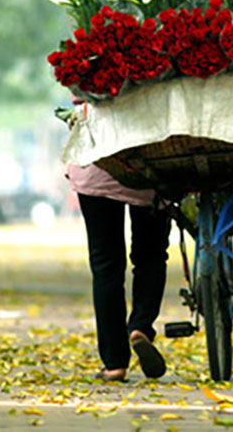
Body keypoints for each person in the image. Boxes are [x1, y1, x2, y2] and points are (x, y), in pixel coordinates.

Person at [66, 162, 172, 382]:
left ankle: (115, 364)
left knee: (106, 265)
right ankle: (141, 327)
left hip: (96, 170)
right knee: (150, 256)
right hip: (151, 170)